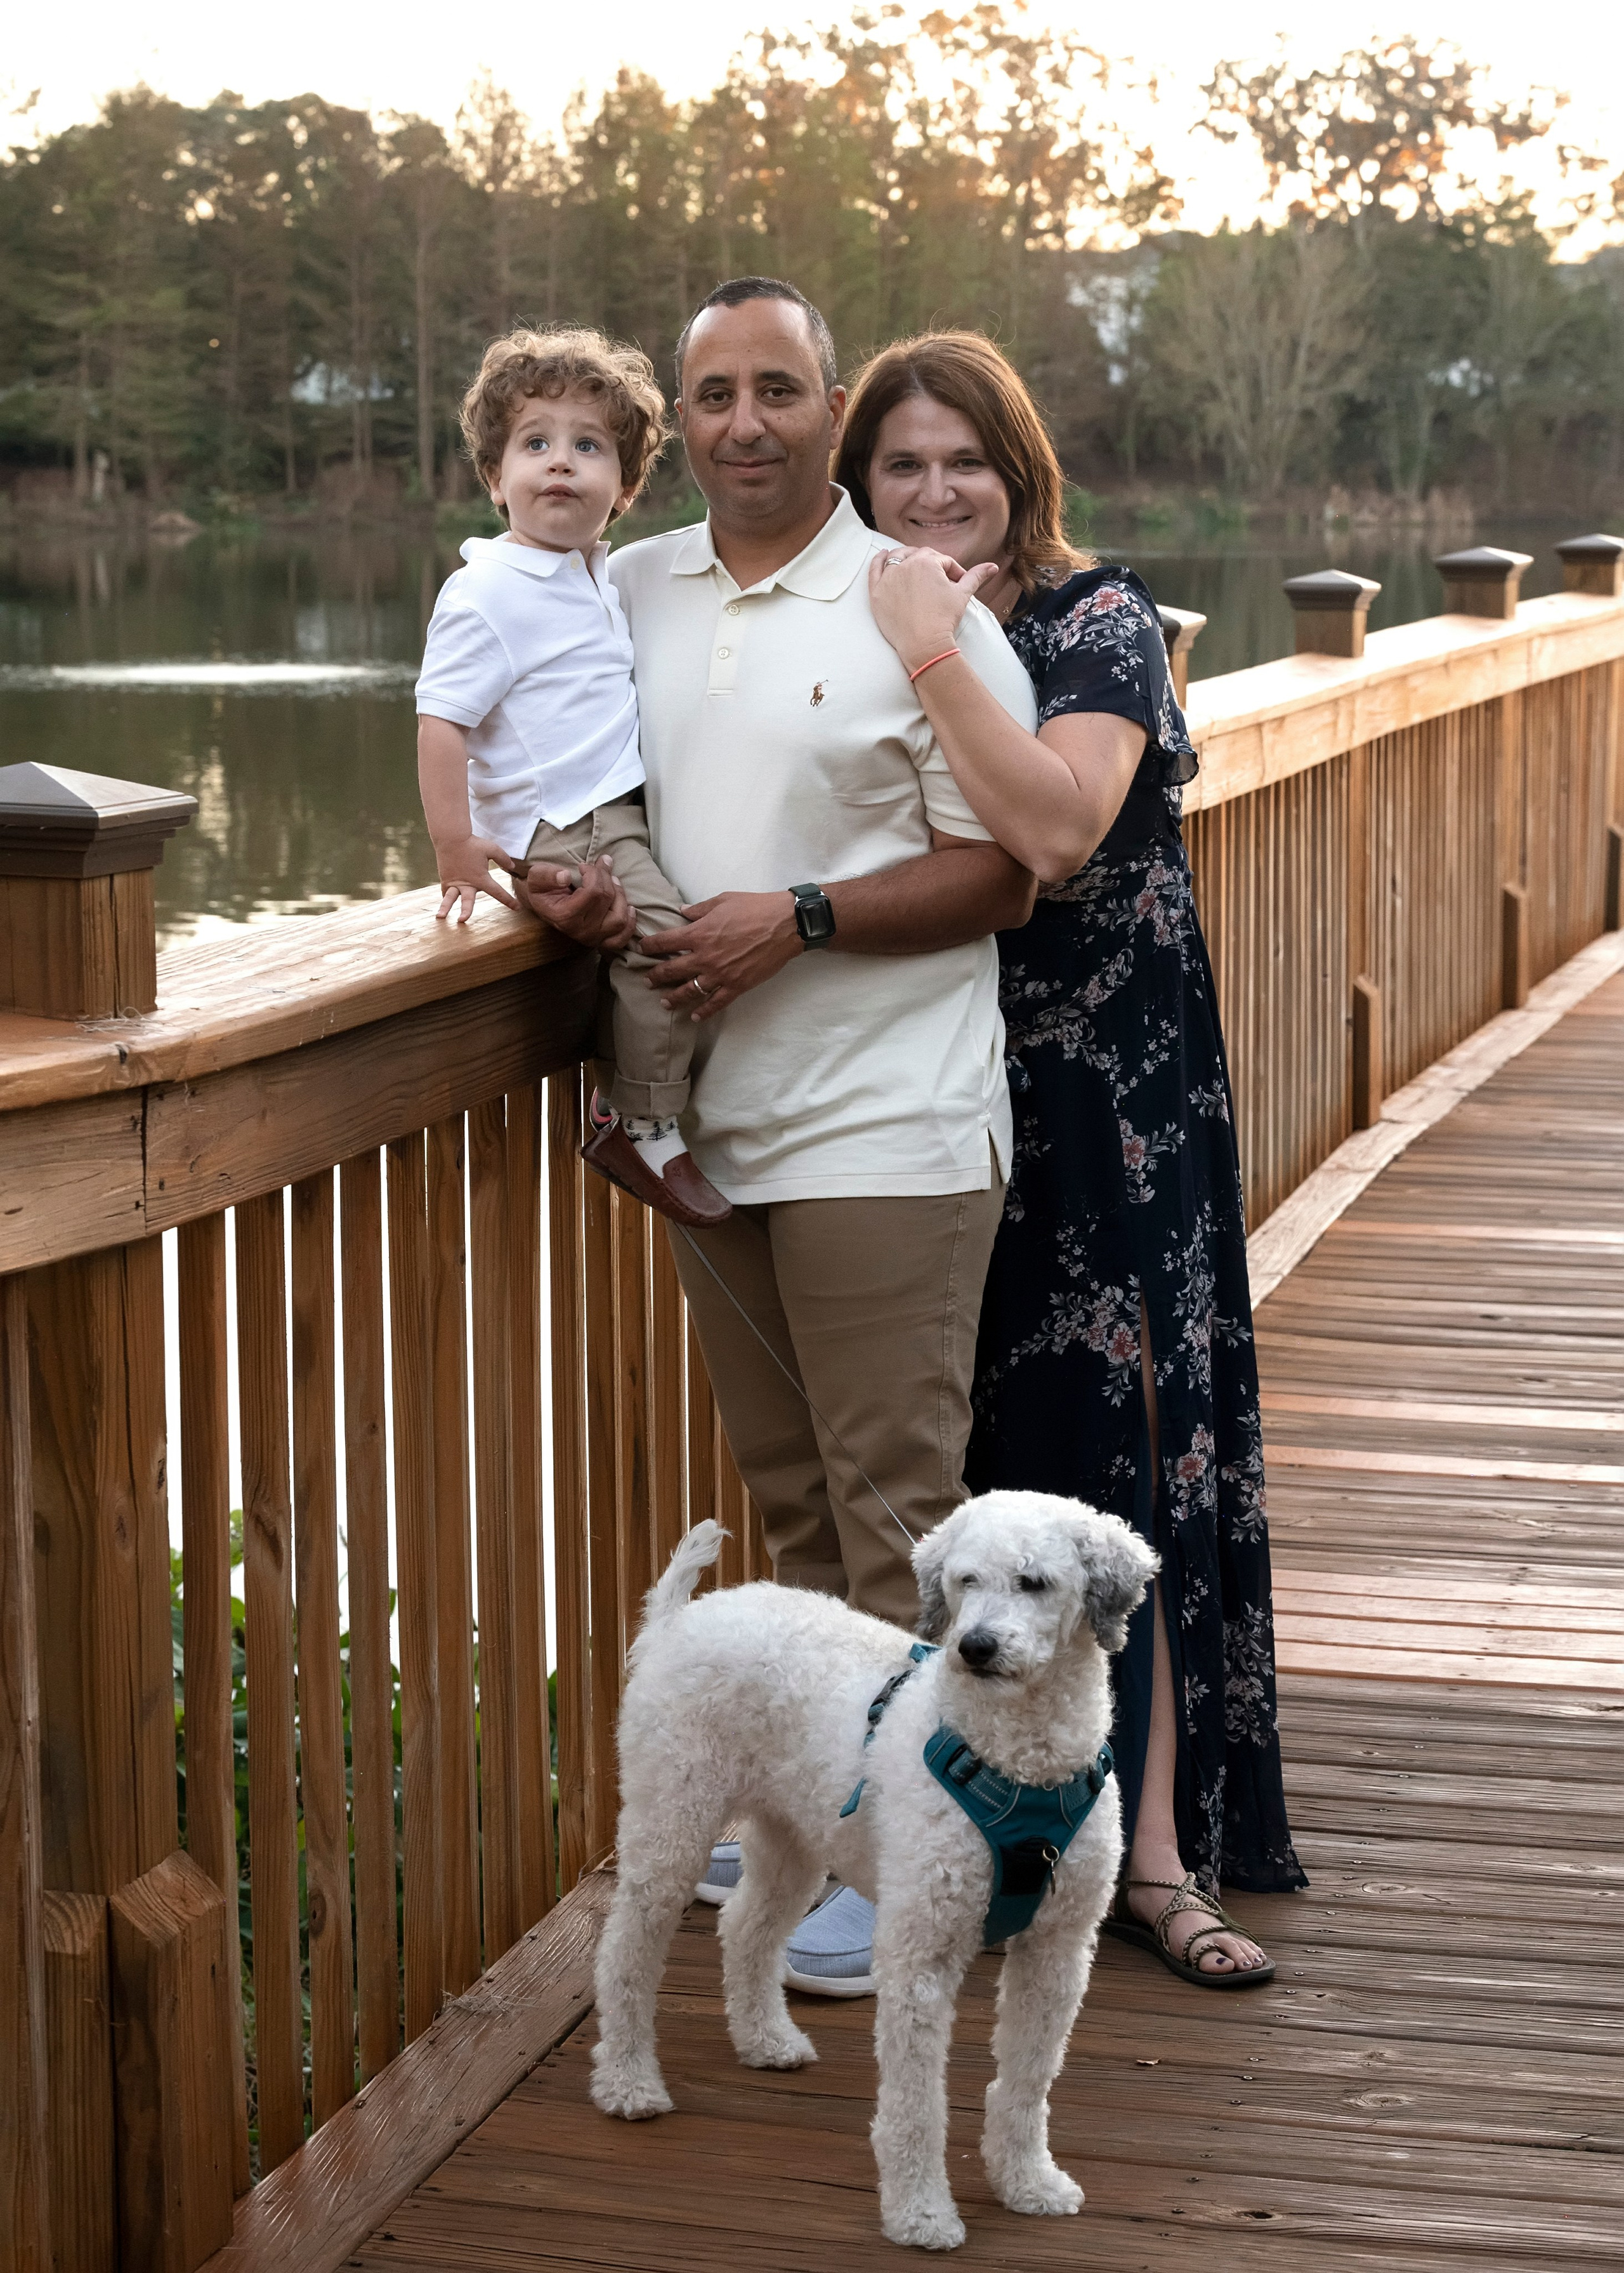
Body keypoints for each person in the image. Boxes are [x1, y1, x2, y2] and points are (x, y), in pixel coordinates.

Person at [837, 329, 1306, 1987]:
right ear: (866, 488)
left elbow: (1054, 827)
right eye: (904, 463)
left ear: (1019, 466)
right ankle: (976, 1837)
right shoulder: (858, 620)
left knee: (1124, 1472)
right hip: (937, 1099)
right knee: (977, 1469)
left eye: (966, 456)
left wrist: (930, 647)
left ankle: (1161, 1860)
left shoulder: (1093, 620)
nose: (938, 486)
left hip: (1116, 1111)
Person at [602, 277, 1040, 1993]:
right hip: (714, 1132)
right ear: (681, 414)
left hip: (888, 1121)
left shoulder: (910, 598)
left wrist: (798, 918)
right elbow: (575, 796)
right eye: (712, 394)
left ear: (828, 405)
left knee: (893, 1521)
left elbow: (1005, 862)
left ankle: (930, 1863)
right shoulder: (625, 587)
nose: (744, 423)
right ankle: (822, 1824)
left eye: (779, 389)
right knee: (794, 1517)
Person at [415, 323, 729, 1228]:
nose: (561, 463)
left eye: (587, 447)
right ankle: (640, 1118)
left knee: (675, 935)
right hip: (567, 820)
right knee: (667, 944)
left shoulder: (590, 571)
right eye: (536, 443)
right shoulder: (490, 590)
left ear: (623, 489)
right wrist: (455, 843)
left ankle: (636, 1095)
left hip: (610, 810)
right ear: (494, 475)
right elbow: (441, 720)